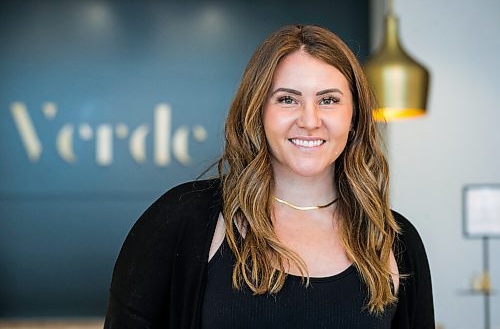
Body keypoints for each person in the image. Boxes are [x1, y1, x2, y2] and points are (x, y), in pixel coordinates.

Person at [104, 25, 434, 328]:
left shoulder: (395, 240)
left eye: (328, 100)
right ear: (258, 110)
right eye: (287, 99)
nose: (310, 120)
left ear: (354, 117)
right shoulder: (182, 218)